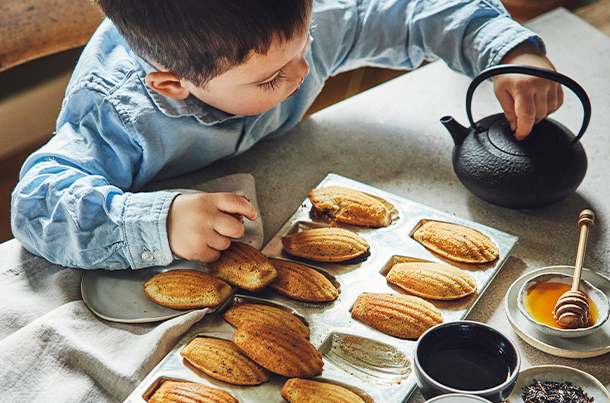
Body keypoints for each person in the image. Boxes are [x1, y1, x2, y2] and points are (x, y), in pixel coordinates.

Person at [11, 0, 562, 270]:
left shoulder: (290, 26)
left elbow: (414, 12)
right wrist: (164, 219)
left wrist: (507, 49)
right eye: (271, 78)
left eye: (306, 45)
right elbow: (39, 205)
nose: (303, 73)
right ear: (174, 86)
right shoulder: (116, 113)